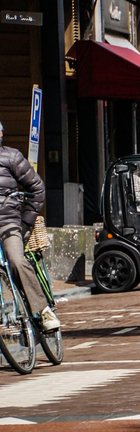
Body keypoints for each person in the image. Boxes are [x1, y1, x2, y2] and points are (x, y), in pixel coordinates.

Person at [0, 121, 59, 331]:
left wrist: (26, 222)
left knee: (17, 260)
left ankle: (43, 311)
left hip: (7, 223)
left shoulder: (11, 157)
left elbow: (37, 188)